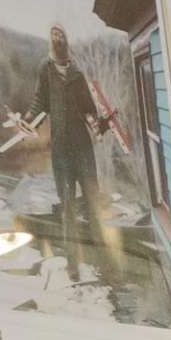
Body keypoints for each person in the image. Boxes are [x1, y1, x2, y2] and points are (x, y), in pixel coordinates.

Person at [35, 22, 118, 287]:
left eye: (61, 35)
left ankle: (106, 266)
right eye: (53, 36)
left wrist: (100, 124)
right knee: (67, 207)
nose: (57, 39)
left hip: (83, 149)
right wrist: (28, 119)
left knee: (93, 204)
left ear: (66, 41)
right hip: (61, 152)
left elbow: (89, 110)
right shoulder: (45, 71)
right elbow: (39, 102)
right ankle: (73, 267)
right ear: (51, 42)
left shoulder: (78, 75)